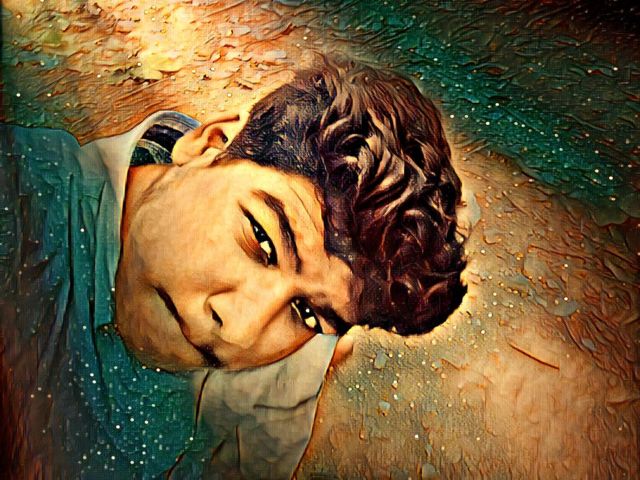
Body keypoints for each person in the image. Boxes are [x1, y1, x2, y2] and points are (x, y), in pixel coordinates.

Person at [0, 57, 466, 478]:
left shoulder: (291, 365)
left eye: (305, 312)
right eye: (261, 241)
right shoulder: (19, 199)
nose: (241, 331)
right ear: (210, 144)